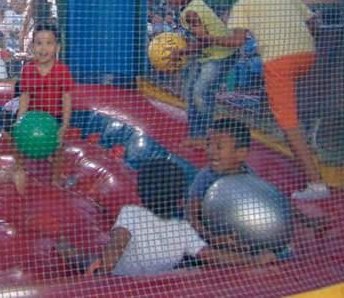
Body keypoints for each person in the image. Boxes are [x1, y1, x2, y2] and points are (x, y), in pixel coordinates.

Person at [192, 0, 329, 200]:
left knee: (288, 124)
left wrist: (206, 38)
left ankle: (316, 184)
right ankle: (304, 130)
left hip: (278, 62)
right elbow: (313, 24)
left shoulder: (244, 2)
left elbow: (237, 41)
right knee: (287, 104)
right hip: (307, 56)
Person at [54, 158, 276, 277]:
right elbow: (212, 255)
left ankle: (67, 251)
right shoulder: (183, 230)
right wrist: (253, 260)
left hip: (120, 279)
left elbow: (118, 243)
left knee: (78, 256)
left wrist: (103, 268)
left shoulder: (131, 213)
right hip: (155, 284)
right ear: (180, 201)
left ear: (140, 193)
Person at [163, 0, 237, 144]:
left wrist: (181, 52)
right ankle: (196, 135)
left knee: (200, 92)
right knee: (190, 92)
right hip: (206, 56)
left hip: (220, 55)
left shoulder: (191, 12)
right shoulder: (188, 6)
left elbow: (205, 42)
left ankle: (209, 134)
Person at [17, 21, 73, 185]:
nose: (43, 48)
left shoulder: (62, 71)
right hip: (33, 118)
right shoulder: (28, 69)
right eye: (39, 43)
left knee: (59, 147)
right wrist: (20, 121)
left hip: (54, 118)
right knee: (19, 144)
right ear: (32, 47)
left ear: (57, 47)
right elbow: (25, 96)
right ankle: (19, 171)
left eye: (49, 43)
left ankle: (56, 179)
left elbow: (66, 99)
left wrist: (64, 125)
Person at [186, 119, 256, 250]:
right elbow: (191, 216)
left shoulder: (249, 176)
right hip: (208, 237)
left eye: (219, 147)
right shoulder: (205, 177)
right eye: (208, 145)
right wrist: (212, 239)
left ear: (240, 153)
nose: (211, 151)